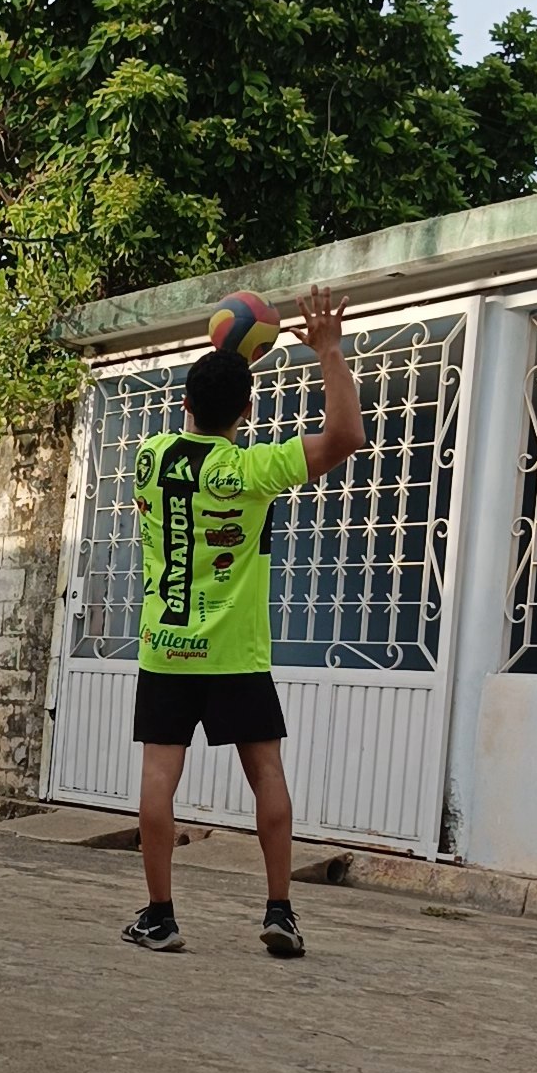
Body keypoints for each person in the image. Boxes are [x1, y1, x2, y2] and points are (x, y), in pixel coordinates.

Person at [121, 284, 364, 958]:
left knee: (158, 779)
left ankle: (161, 917)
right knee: (266, 774)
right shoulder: (253, 470)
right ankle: (280, 910)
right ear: (249, 411)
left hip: (167, 647)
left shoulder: (149, 457)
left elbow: (195, 430)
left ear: (185, 404)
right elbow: (347, 436)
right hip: (235, 652)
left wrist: (224, 363)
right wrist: (329, 350)